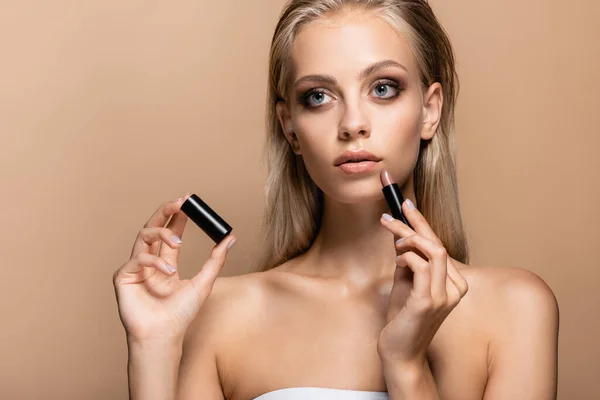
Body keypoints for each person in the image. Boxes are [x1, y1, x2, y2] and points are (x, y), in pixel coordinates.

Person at [112, 1, 559, 399]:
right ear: (290, 128)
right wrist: (151, 347)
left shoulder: (515, 309)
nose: (352, 124)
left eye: (383, 88)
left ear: (430, 110)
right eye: (318, 97)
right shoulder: (219, 314)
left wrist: (406, 366)